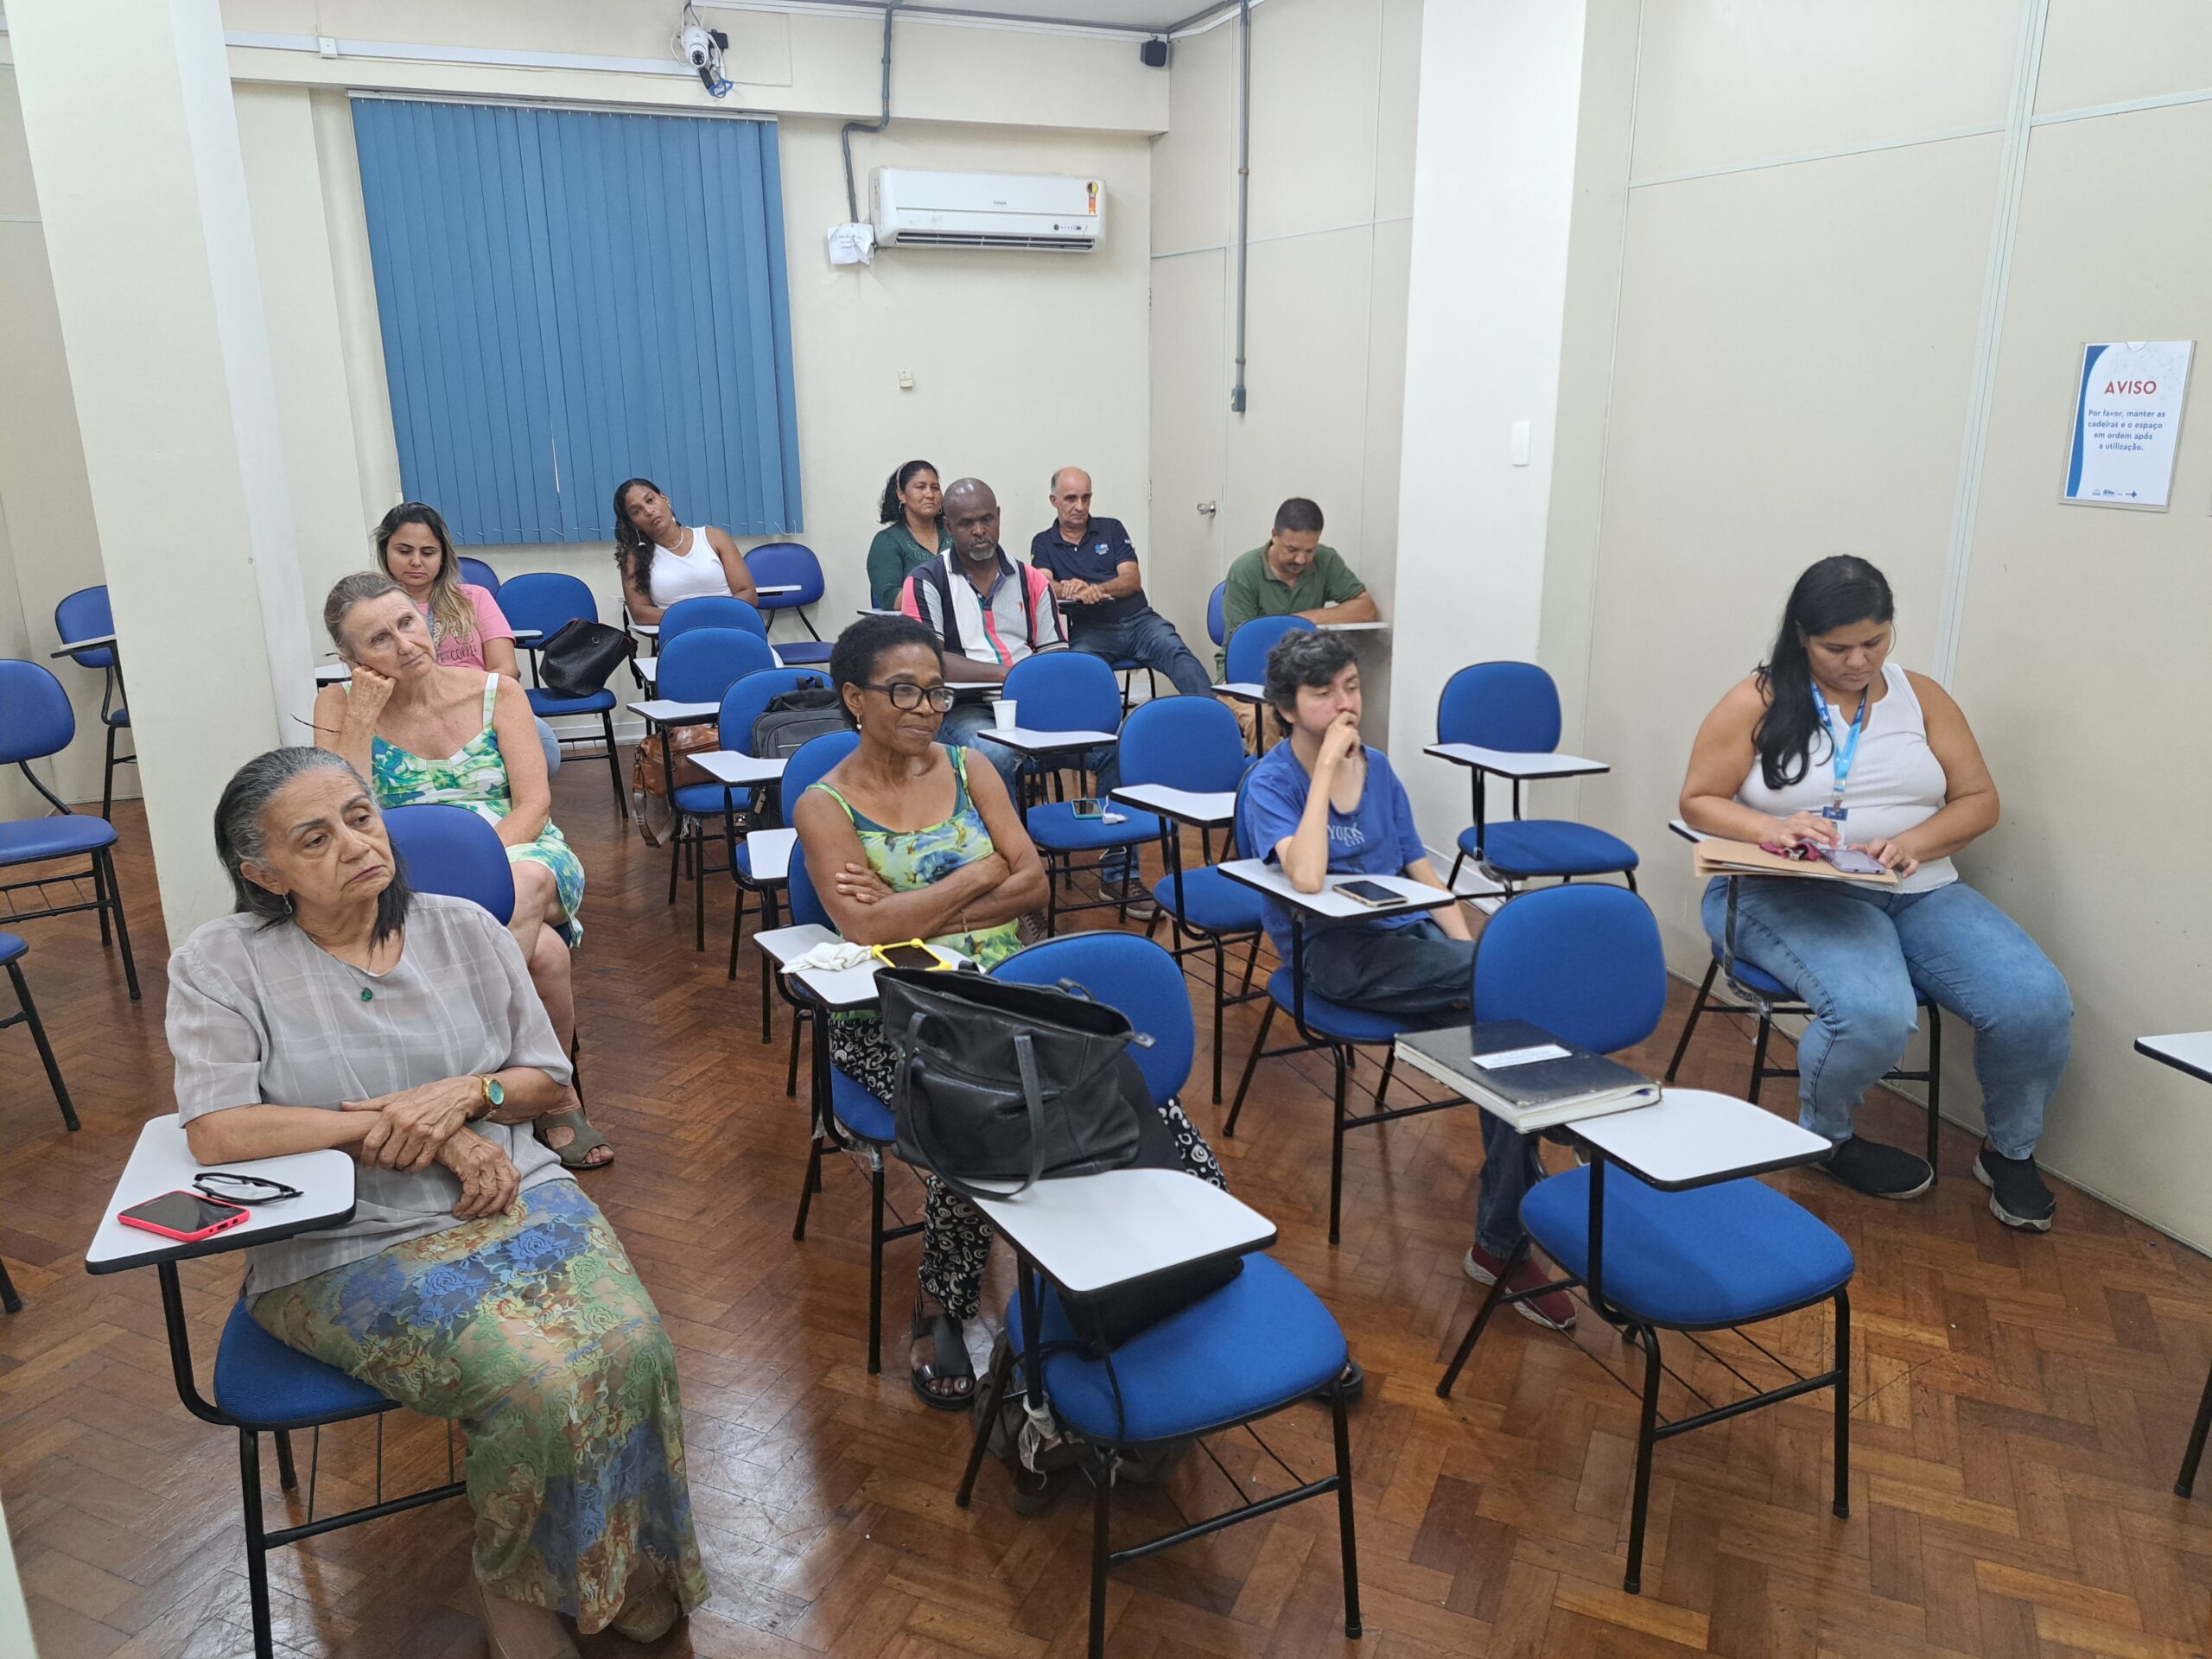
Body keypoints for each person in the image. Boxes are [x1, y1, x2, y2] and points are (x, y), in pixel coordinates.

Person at [173, 747, 708, 1657]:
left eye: (359, 815)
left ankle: (629, 1575)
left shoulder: (465, 927)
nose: (356, 843)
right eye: (315, 837)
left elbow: (547, 1080)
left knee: (637, 1352)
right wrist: (420, 1123)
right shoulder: (224, 962)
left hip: (511, 1192)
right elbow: (220, 1130)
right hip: (344, 1240)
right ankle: (521, 1603)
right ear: (263, 874)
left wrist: (471, 1097)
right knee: (539, 1387)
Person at [792, 614, 1223, 1410]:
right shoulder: (824, 805)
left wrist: (914, 903)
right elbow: (866, 930)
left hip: (1014, 987)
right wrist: (974, 880)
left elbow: (1036, 887)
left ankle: (1202, 1250)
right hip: (894, 1018)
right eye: (905, 691)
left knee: (1118, 1082)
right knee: (979, 1118)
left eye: (936, 691)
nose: (927, 708)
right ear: (854, 697)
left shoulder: (970, 767)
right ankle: (946, 1301)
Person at [1679, 555, 2070, 1228]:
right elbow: (1699, 800)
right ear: (1801, 635)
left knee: (2035, 1002)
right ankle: (1826, 1137)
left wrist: (1916, 843)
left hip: (1914, 886)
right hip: (1789, 893)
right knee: (1874, 1014)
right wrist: (1771, 827)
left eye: (1875, 642)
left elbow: (1979, 800)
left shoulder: (1921, 696)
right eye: (1838, 648)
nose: (1859, 661)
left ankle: (2008, 1152)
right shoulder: (1759, 698)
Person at [1239, 630, 1576, 1332]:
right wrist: (1326, 770)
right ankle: (1528, 1185)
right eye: (1324, 693)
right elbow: (1304, 875)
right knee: (1516, 1007)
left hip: (1408, 944)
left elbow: (1420, 872)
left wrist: (1477, 957)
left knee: (1506, 1028)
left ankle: (1500, 1237)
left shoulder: (1383, 771)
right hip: (1329, 958)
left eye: (1352, 687)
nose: (1344, 705)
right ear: (1285, 707)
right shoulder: (1270, 783)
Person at [313, 572, 611, 1172]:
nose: (404, 643)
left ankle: (456, 1074)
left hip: (520, 853)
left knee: (521, 887)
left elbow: (533, 806)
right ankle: (551, 1092)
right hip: (408, 877)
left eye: (405, 622)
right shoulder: (338, 706)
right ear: (351, 659)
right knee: (546, 956)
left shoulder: (496, 691)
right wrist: (362, 721)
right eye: (378, 640)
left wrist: (479, 874)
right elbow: (340, 815)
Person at [899, 477, 1148, 914]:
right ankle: (1018, 888)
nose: (979, 531)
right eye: (966, 523)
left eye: (987, 519)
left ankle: (1120, 876)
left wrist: (1031, 684)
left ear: (999, 517)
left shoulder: (1031, 579)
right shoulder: (926, 582)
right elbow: (929, 660)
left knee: (1120, 745)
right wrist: (1007, 673)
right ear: (948, 526)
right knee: (990, 755)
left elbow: (1054, 652)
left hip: (1035, 706)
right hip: (967, 710)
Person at [1028, 467, 1211, 697]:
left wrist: (1096, 589)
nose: (1080, 506)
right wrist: (1069, 590)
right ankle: (1100, 731)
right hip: (1092, 630)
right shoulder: (1043, 542)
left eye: (1086, 498)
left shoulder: (1111, 528)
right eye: (1071, 499)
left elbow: (1132, 579)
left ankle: (1216, 716)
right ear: (1053, 501)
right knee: (1079, 669)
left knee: (1176, 651)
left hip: (1140, 622)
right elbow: (1043, 586)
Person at [372, 502, 519, 678]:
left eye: (428, 553)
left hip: (476, 700)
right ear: (384, 551)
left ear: (442, 557)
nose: (416, 562)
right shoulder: (372, 610)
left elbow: (506, 670)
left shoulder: (475, 598)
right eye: (404, 551)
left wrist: (458, 697)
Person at [612, 476, 758, 626]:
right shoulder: (633, 559)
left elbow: (748, 593)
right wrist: (692, 619)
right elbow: (640, 614)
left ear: (664, 499)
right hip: (680, 635)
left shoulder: (714, 537)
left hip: (731, 626)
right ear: (633, 524)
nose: (649, 511)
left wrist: (714, 616)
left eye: (650, 500)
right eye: (637, 511)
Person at [867, 459, 950, 610]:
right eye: (921, 487)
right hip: (911, 627)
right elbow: (890, 599)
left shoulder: (954, 534)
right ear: (902, 495)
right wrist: (949, 595)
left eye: (935, 488)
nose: (930, 494)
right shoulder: (888, 541)